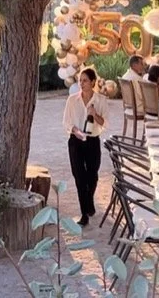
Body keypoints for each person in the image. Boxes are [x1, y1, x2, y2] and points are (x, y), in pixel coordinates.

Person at [62, 67, 106, 226]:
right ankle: (84, 213)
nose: (82, 83)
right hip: (75, 141)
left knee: (92, 175)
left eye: (85, 80)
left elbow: (104, 123)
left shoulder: (101, 100)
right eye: (80, 80)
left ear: (93, 82)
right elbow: (66, 122)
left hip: (93, 140)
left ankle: (89, 201)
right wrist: (76, 131)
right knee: (79, 177)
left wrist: (94, 114)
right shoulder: (72, 100)